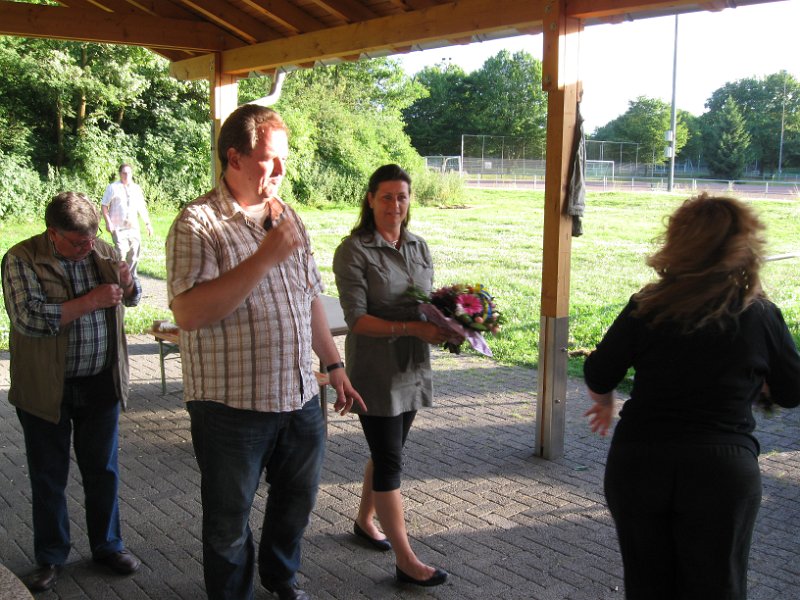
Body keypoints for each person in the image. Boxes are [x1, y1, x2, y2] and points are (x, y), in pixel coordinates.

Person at [165, 104, 365, 600]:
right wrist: (263, 257)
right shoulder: (197, 222)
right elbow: (189, 313)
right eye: (269, 159)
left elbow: (309, 297)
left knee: (297, 500)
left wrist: (334, 364)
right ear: (234, 157)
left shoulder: (287, 216)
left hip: (300, 397)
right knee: (228, 520)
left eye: (284, 159)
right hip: (230, 407)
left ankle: (280, 578)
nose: (280, 170)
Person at [583, 193, 800, 599]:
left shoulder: (646, 305)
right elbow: (792, 392)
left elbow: (598, 372)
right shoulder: (760, 313)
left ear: (677, 242)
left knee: (648, 586)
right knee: (719, 587)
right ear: (744, 247)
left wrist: (605, 401)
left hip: (640, 461)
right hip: (721, 470)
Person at [1, 191, 143, 593]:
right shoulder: (21, 258)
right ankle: (50, 556)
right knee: (49, 477)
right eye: (78, 242)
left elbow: (131, 300)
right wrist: (90, 301)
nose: (87, 248)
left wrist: (128, 285)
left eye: (92, 239)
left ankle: (108, 546)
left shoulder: (101, 249)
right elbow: (28, 317)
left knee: (103, 471)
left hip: (101, 382)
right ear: (53, 234)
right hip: (46, 388)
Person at [332, 164, 450, 587]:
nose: (395, 205)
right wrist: (414, 328)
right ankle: (406, 560)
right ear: (370, 199)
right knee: (389, 461)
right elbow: (357, 320)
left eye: (402, 197)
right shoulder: (354, 251)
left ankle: (365, 520)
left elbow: (425, 302)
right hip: (375, 372)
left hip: (412, 367)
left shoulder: (419, 246)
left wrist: (453, 322)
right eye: (386, 197)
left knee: (389, 450)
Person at [101, 163, 153, 276]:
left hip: (133, 228)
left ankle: (131, 279)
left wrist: (148, 224)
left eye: (129, 173)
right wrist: (108, 222)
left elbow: (141, 207)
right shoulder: (113, 187)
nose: (127, 175)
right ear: (120, 174)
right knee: (120, 253)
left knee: (134, 254)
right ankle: (118, 277)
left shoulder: (136, 189)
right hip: (118, 228)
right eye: (124, 173)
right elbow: (104, 205)